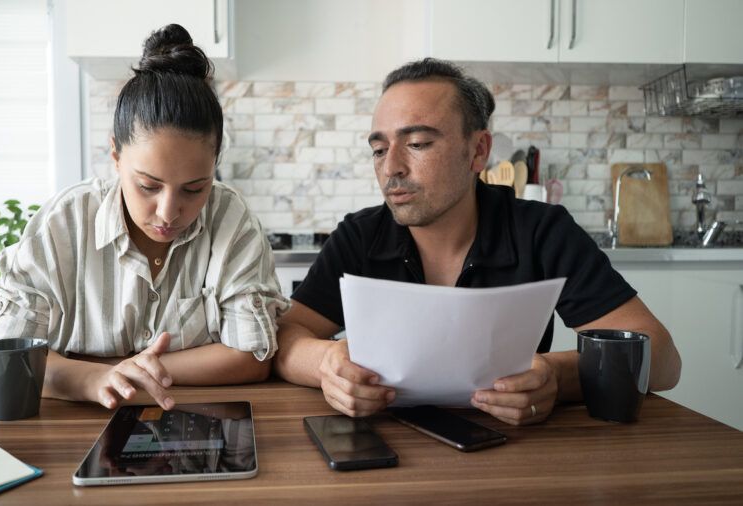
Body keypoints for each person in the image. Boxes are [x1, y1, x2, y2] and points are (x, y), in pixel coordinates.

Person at [273, 58, 681, 425]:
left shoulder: (540, 231)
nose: (391, 167)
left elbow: (662, 361)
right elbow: (284, 339)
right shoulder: (360, 236)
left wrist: (558, 376)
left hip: (515, 454)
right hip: (380, 451)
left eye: (417, 144)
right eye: (379, 150)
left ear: (478, 150)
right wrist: (326, 363)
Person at [0, 24, 288, 411]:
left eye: (194, 189)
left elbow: (251, 356)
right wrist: (91, 379)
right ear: (116, 156)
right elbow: (7, 358)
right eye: (148, 186)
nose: (169, 213)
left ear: (215, 165)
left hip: (193, 421)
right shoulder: (63, 224)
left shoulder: (231, 219)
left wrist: (122, 369)